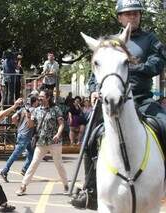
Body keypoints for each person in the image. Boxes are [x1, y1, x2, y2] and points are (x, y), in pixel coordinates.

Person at [70, 0, 166, 209]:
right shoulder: (110, 44)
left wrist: (134, 67)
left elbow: (158, 62)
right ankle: (90, 191)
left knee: (165, 125)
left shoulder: (150, 39)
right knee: (90, 137)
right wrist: (95, 88)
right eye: (128, 14)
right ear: (120, 17)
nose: (133, 17)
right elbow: (96, 72)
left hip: (142, 99)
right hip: (112, 100)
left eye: (136, 13)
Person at [15, 89, 69, 196]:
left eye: (42, 96)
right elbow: (31, 125)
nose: (39, 98)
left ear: (48, 97)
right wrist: (29, 117)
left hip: (54, 142)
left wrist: (58, 135)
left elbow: (61, 124)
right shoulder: (36, 110)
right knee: (34, 163)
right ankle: (23, 186)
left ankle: (66, 185)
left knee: (59, 165)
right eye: (39, 96)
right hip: (41, 142)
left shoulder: (56, 109)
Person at [0, 94, 39, 182]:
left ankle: (25, 170)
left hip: (21, 134)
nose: (38, 102)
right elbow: (31, 123)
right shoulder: (33, 110)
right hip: (26, 136)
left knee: (31, 153)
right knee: (15, 154)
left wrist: (18, 126)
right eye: (37, 100)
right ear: (34, 101)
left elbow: (13, 117)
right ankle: (4, 170)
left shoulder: (23, 109)